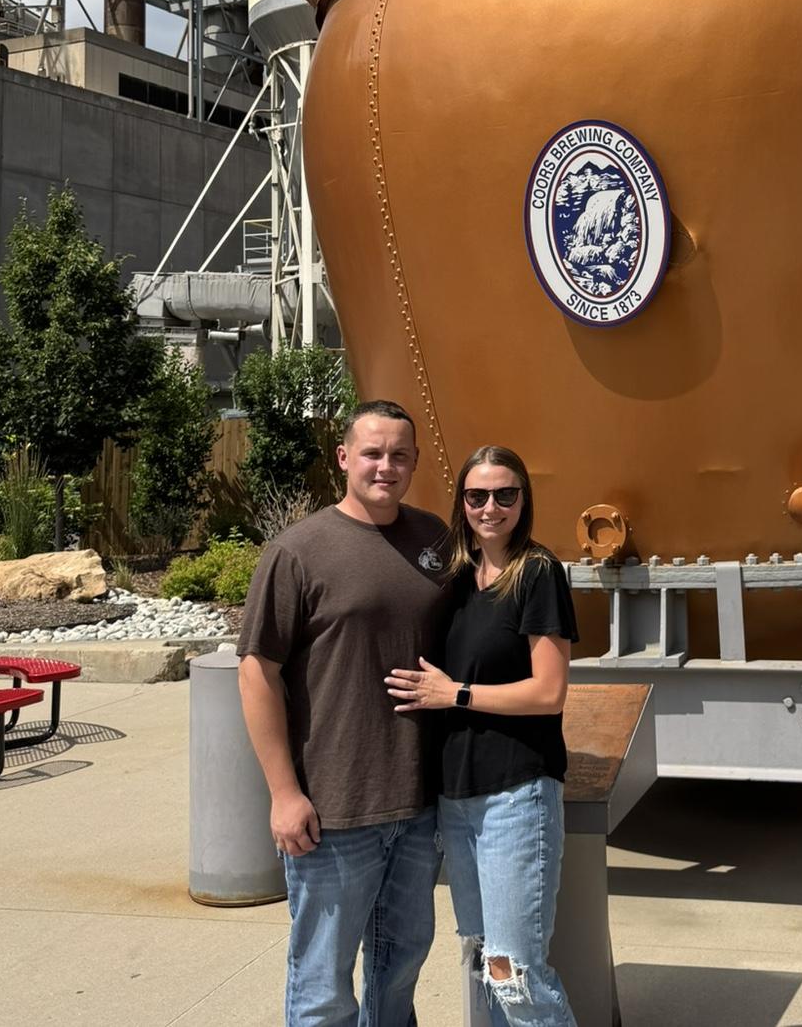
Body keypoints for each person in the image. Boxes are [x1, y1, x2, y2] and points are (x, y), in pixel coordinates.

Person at [237, 399, 451, 1027]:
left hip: (418, 805)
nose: (386, 466)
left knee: (399, 971)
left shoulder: (435, 540)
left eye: (399, 455)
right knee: (323, 989)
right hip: (333, 811)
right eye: (372, 453)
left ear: (414, 461)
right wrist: (284, 794)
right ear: (343, 458)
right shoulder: (298, 551)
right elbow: (256, 672)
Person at [385, 445, 579, 1027]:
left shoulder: (538, 573)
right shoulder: (457, 580)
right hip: (457, 800)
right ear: (461, 503)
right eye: (477, 496)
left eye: (504, 494)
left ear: (524, 499)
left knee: (514, 973)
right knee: (482, 963)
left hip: (515, 795)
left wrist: (457, 694)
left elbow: (549, 692)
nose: (490, 507)